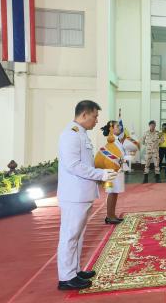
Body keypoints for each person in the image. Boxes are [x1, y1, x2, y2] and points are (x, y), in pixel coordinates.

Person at [57, 100, 118, 290]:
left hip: (82, 192)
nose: (96, 120)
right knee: (70, 234)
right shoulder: (71, 135)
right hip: (73, 194)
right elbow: (73, 165)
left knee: (78, 234)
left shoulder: (80, 133)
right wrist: (101, 174)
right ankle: (66, 277)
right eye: (94, 116)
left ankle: (74, 270)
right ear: (84, 115)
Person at [97, 121, 125, 225]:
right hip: (111, 171)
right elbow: (108, 157)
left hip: (116, 170)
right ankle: (109, 216)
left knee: (115, 192)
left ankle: (112, 215)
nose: (120, 127)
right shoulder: (111, 142)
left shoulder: (117, 140)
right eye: (117, 126)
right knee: (111, 192)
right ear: (111, 128)